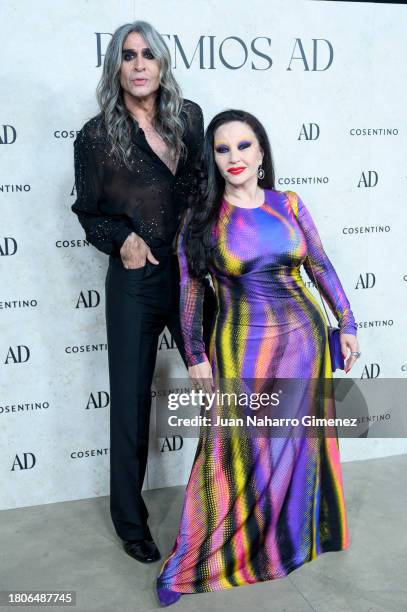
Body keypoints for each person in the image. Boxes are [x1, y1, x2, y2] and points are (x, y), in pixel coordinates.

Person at [155, 109, 361, 605]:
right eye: (223, 149)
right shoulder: (202, 219)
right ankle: (202, 558)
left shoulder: (287, 204)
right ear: (213, 158)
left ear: (262, 152)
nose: (235, 158)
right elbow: (188, 292)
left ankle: (297, 536)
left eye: (244, 146)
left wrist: (346, 322)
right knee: (234, 450)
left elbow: (319, 263)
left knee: (298, 443)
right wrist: (196, 355)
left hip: (305, 343)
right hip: (240, 347)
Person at [71, 20, 215, 564]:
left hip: (192, 275)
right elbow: (88, 211)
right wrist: (120, 238)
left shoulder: (190, 118)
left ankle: (226, 500)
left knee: (217, 386)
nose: (138, 65)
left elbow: (205, 189)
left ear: (162, 65)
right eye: (128, 55)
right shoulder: (95, 136)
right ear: (116, 65)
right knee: (130, 402)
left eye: (148, 55)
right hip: (136, 279)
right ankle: (131, 522)